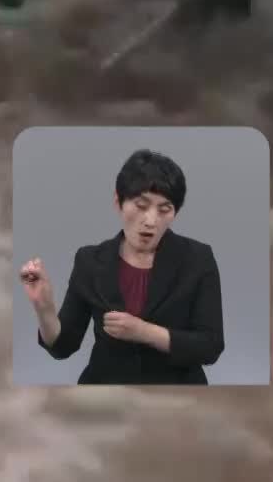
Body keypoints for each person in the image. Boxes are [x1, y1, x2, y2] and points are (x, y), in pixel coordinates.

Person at [19, 148, 225, 384]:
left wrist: (143, 332)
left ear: (174, 213)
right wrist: (43, 307)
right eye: (141, 205)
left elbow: (210, 346)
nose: (150, 220)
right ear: (118, 202)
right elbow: (63, 347)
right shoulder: (89, 260)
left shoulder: (198, 258)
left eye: (164, 209)